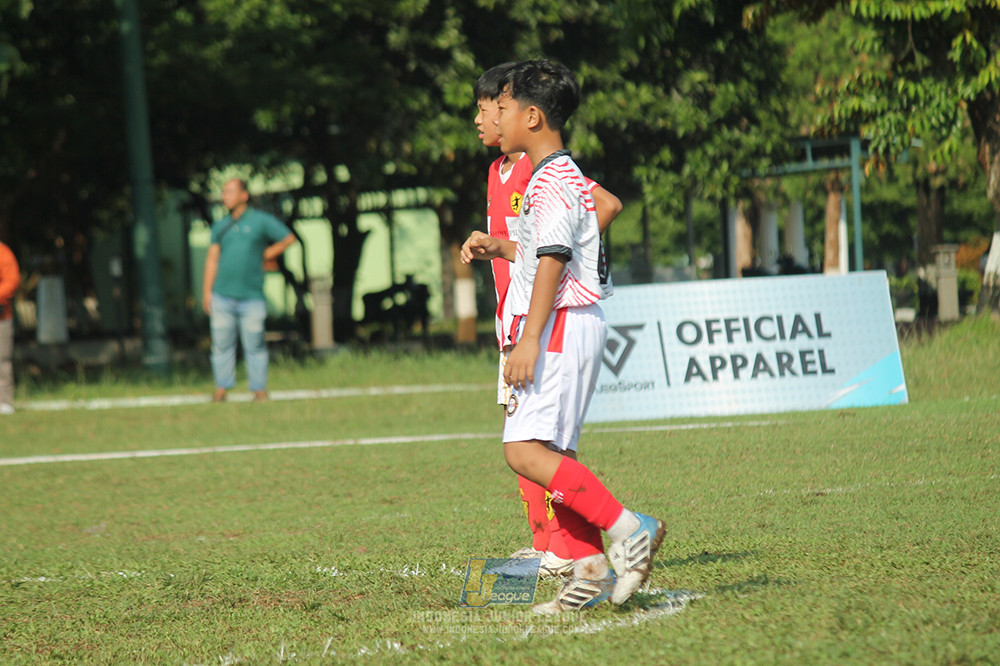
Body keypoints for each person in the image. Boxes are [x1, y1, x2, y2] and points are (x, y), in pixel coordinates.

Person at [461, 60, 664, 613]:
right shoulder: (554, 173)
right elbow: (540, 250)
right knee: (552, 454)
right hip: (564, 323)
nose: (493, 115)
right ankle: (590, 573)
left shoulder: (548, 179)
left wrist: (528, 338)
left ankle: (631, 527)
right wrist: (502, 249)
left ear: (530, 115)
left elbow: (553, 258)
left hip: (558, 325)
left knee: (523, 451)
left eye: (501, 107)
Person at [202, 179, 296, 402]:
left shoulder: (260, 221)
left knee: (255, 344)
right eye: (224, 192)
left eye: (230, 192)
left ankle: (259, 389)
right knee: (221, 345)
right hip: (222, 295)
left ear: (244, 195)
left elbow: (288, 238)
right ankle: (222, 388)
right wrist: (207, 291)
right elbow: (212, 260)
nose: (225, 196)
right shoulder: (220, 225)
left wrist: (267, 254)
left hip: (252, 296)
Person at [0, 241, 20, 415]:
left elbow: (12, 281)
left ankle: (4, 401)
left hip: (1, 316)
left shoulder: (3, 252)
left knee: (2, 359)